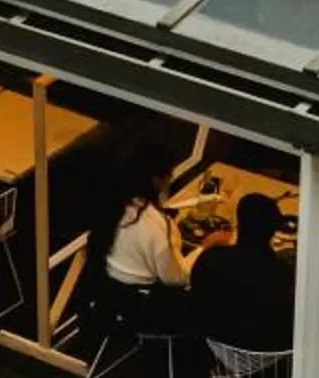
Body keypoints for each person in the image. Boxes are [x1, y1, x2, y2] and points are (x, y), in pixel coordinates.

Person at [191, 190, 295, 350]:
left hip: (211, 346)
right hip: (260, 352)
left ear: (238, 223)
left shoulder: (210, 258)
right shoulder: (280, 272)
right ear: (274, 231)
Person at [102, 142, 195, 306]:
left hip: (110, 294)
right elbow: (175, 279)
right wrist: (205, 248)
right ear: (157, 180)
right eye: (169, 175)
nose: (170, 180)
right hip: (141, 305)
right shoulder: (154, 224)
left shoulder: (112, 205)